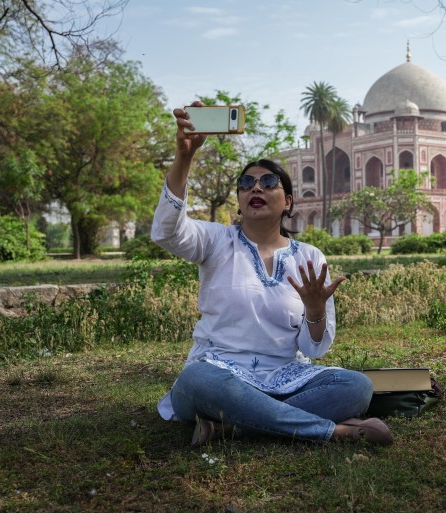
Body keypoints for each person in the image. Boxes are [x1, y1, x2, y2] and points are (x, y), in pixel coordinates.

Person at [151, 101, 393, 446]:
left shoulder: (309, 257)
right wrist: (184, 156)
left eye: (268, 182)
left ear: (289, 201)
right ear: (239, 200)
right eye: (247, 183)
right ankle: (333, 431)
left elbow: (316, 349)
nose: (256, 188)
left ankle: (235, 426)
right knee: (196, 381)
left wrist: (314, 311)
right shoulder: (217, 241)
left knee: (356, 386)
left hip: (285, 374)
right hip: (219, 372)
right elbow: (166, 232)